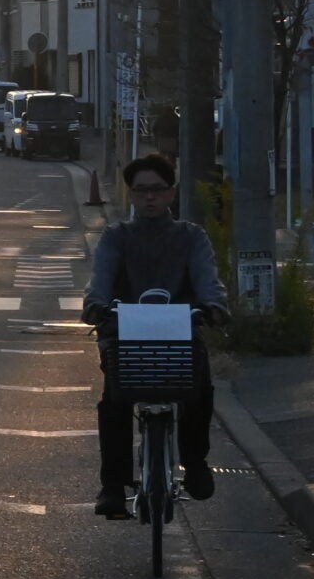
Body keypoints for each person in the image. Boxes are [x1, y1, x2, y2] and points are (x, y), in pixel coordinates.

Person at [82, 152, 226, 518]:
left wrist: (214, 305)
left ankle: (195, 463)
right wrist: (96, 305)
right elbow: (101, 278)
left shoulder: (191, 236)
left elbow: (207, 278)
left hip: (180, 332)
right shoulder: (117, 237)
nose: (150, 197)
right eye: (141, 190)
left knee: (199, 389)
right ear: (131, 194)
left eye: (158, 190)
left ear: (171, 193)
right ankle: (113, 486)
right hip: (124, 333)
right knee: (114, 401)